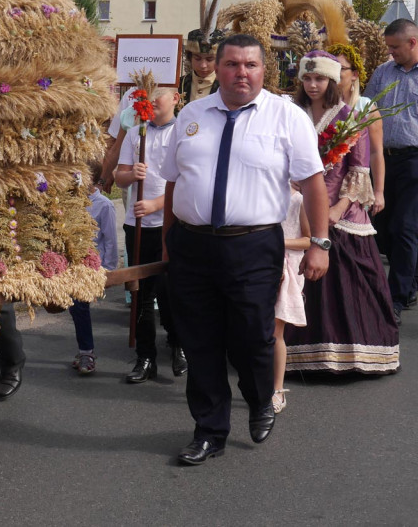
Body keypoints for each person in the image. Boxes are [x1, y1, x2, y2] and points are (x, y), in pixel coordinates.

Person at [160, 33, 329, 465]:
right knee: (199, 342)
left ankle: (259, 401)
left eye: (250, 65)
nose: (241, 73)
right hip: (193, 247)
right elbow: (174, 181)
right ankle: (209, 431)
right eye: (232, 64)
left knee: (252, 338)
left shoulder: (285, 116)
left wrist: (320, 244)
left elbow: (312, 184)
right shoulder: (192, 115)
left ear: (263, 70)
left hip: (253, 247)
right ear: (216, 68)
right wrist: (168, 241)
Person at [283, 51, 399, 374]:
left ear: (333, 80)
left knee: (347, 285)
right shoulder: (293, 114)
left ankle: (350, 355)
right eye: (306, 78)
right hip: (296, 208)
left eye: (319, 78)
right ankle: (290, 353)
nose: (312, 85)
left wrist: (337, 208)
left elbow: (359, 170)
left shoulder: (348, 117)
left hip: (340, 214)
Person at [114, 85, 185, 382]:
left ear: (175, 98)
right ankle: (145, 357)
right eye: (150, 93)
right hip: (138, 225)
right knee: (140, 293)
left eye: (161, 93)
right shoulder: (136, 133)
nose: (154, 99)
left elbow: (189, 180)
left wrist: (157, 203)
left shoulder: (183, 132)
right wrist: (133, 175)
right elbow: (119, 177)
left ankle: (178, 343)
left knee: (171, 292)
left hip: (172, 224)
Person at [364, 18, 418, 323]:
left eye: (395, 47)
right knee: (381, 228)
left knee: (404, 227)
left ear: (412, 42)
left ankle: (395, 297)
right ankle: (410, 280)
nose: (390, 52)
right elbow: (367, 108)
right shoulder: (384, 72)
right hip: (382, 159)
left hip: (414, 160)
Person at [71, 160, 119, 375]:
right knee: (74, 308)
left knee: (79, 306)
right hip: (70, 263)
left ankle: (86, 351)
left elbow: (110, 240)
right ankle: (84, 349)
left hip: (91, 266)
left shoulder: (104, 206)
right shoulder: (70, 202)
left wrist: (108, 270)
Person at [331, 43, 385, 216]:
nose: (334, 72)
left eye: (340, 68)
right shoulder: (320, 107)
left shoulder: (366, 108)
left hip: (354, 186)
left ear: (354, 75)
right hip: (326, 183)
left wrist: (378, 192)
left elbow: (376, 152)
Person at [273, 184, 309, 413]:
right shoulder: (262, 191)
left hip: (287, 265)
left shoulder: (299, 200)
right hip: (260, 262)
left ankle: (277, 389)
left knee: (276, 331)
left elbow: (308, 239)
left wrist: (280, 243)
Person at [179, 29, 222, 105]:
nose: (203, 65)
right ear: (190, 57)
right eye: (197, 58)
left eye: (209, 59)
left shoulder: (225, 86)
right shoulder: (179, 84)